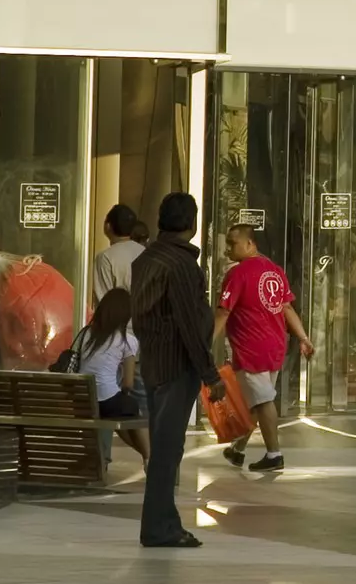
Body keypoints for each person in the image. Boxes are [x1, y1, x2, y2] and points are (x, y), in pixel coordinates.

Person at [129, 191, 224, 548]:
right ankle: (159, 527)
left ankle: (164, 522)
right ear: (193, 223)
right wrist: (210, 374)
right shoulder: (182, 265)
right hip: (176, 366)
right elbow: (189, 322)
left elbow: (142, 317)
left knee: (166, 448)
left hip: (154, 362)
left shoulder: (147, 259)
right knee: (168, 450)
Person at [212, 224, 312, 471]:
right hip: (275, 345)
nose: (228, 250)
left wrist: (205, 344)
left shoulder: (237, 274)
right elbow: (287, 308)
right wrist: (303, 337)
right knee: (257, 400)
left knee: (263, 400)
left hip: (250, 348)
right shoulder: (275, 271)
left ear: (250, 243)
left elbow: (223, 312)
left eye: (233, 244)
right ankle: (238, 449)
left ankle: (274, 454)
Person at [74, 286, 149, 464]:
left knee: (121, 413)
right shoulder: (126, 340)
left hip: (82, 401)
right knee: (131, 410)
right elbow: (128, 384)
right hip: (105, 402)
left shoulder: (85, 334)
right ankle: (149, 457)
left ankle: (149, 456)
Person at [90, 204, 147, 304]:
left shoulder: (105, 257)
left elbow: (104, 301)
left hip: (119, 318)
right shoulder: (146, 252)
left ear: (108, 226)